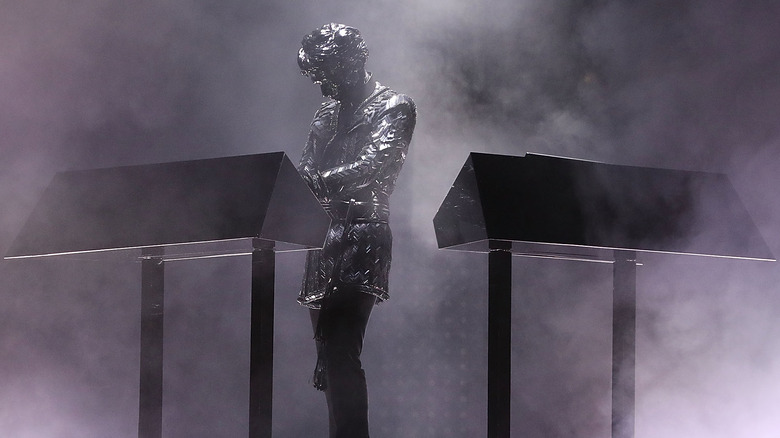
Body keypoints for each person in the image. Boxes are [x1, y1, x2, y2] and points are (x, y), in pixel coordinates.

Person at [296, 23, 416, 438]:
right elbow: (307, 164)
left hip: (363, 235)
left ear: (351, 62)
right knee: (328, 356)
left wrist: (314, 182)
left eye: (326, 73)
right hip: (322, 238)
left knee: (340, 349)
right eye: (317, 76)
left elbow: (374, 165)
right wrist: (297, 182)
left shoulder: (396, 106)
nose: (323, 85)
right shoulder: (326, 113)